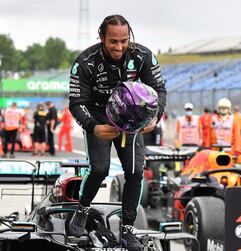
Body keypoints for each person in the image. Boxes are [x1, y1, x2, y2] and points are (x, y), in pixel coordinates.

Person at [68, 14, 166, 250]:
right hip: (98, 116)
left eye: (124, 41)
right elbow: (76, 101)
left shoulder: (143, 55)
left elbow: (159, 89)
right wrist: (92, 126)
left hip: (131, 117)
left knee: (135, 170)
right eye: (113, 41)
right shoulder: (85, 62)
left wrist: (155, 115)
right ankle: (82, 209)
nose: (119, 46)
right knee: (100, 168)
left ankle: (128, 229)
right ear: (102, 37)